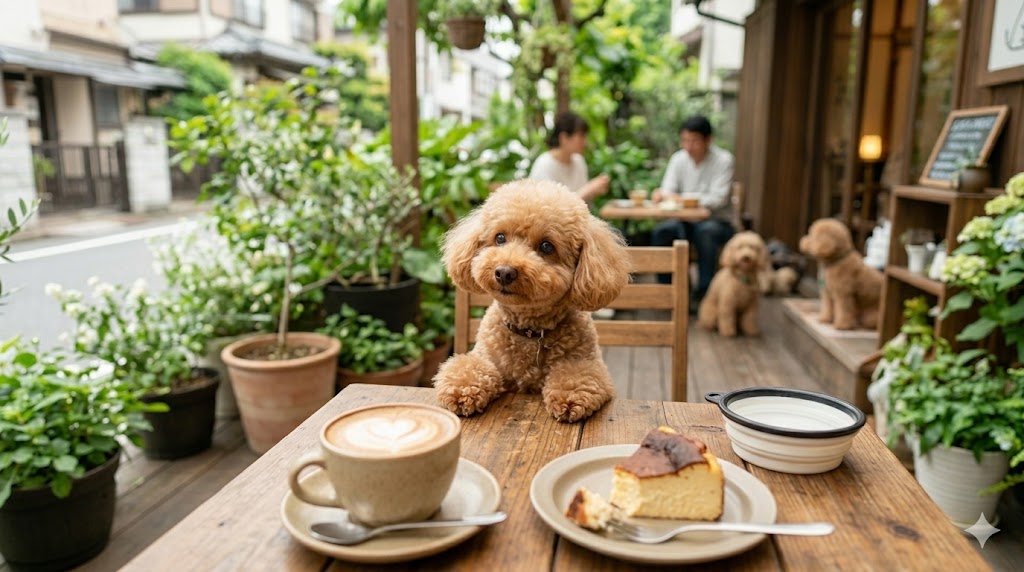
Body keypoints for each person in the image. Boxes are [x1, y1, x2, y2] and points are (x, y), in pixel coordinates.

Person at [650, 116, 735, 305]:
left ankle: (704, 295)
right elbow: (667, 190)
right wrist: (664, 195)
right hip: (684, 220)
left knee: (705, 232)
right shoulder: (678, 159)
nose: (688, 146)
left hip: (717, 222)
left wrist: (679, 198)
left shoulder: (724, 160)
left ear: (708, 140)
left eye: (694, 141)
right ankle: (668, 293)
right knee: (662, 232)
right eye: (685, 140)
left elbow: (718, 199)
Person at [529, 111, 610, 202]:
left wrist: (594, 191)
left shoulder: (579, 161)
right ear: (564, 138)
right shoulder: (544, 165)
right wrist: (588, 189)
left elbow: (583, 205)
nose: (585, 142)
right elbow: (550, 209)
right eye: (581, 136)